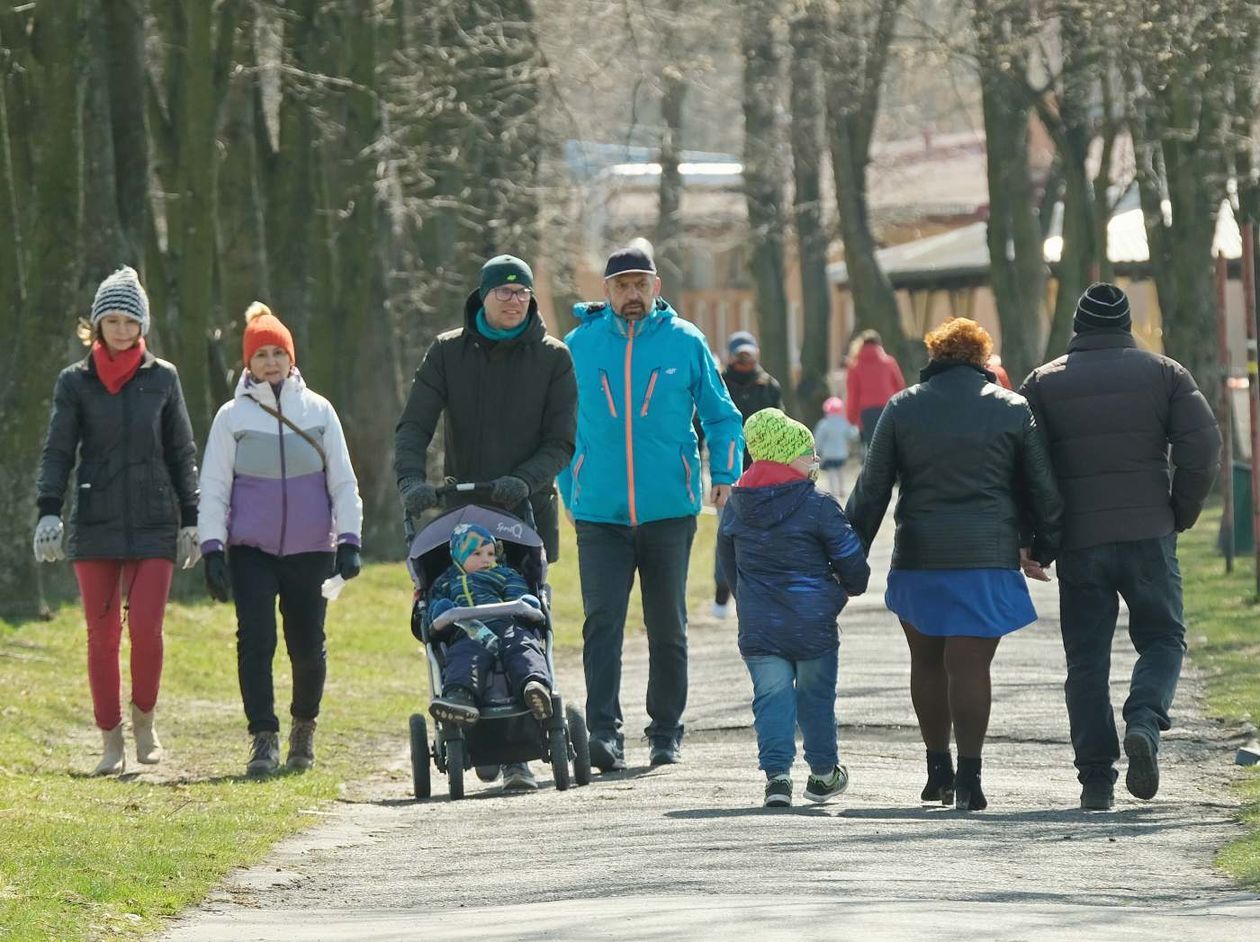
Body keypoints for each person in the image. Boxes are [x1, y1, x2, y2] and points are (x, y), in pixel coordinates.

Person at [846, 317, 1062, 812]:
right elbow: (1043, 489)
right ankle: (971, 778)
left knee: (925, 663)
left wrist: (847, 556)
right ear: (984, 362)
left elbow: (872, 490)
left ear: (935, 358)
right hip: (986, 557)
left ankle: (935, 771)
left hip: (920, 555)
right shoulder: (1012, 409)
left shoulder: (902, 408)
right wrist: (1041, 547)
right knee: (970, 667)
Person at [1020, 283, 1221, 810]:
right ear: (1127, 325)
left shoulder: (1044, 383)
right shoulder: (1165, 373)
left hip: (1081, 542)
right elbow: (1203, 448)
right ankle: (1144, 721)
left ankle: (1095, 779)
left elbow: (1025, 466)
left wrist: (1037, 539)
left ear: (1078, 327)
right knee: (1162, 638)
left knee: (1085, 659)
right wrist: (1180, 511)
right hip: (1148, 533)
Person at [558, 244, 743, 771]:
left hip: (669, 509)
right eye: (622, 285)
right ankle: (603, 734)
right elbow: (557, 429)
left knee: (668, 625)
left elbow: (722, 416)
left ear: (656, 287)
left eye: (641, 284)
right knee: (602, 623)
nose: (632, 294)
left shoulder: (686, 342)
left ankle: (666, 732)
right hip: (599, 512)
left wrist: (725, 474)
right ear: (607, 291)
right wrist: (569, 491)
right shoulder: (578, 346)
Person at [395, 254, 576, 790]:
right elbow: (414, 424)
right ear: (484, 295)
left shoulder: (553, 358)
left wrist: (527, 478)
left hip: (525, 512)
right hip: (465, 513)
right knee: (466, 620)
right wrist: (411, 481)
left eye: (522, 291)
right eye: (503, 290)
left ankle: (519, 748)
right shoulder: (448, 352)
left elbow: (562, 439)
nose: (513, 298)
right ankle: (480, 737)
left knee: (520, 620)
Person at [34, 266, 200, 776]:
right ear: (96, 325)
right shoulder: (75, 383)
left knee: (147, 629)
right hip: (95, 522)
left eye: (131, 320)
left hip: (153, 520)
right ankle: (110, 740)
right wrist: (47, 511)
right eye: (113, 319)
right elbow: (58, 451)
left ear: (143, 324)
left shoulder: (163, 378)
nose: (122, 329)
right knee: (101, 635)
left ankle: (144, 720)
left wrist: (191, 518)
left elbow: (182, 451)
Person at [199, 302, 363, 777]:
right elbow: (213, 487)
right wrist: (212, 549)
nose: (270, 362)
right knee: (256, 640)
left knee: (307, 644)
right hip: (251, 549)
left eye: (278, 353)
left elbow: (343, 481)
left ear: (292, 359)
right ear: (247, 364)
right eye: (261, 354)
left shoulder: (319, 411)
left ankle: (303, 729)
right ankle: (263, 738)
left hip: (312, 547)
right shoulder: (231, 418)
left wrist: (349, 539)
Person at [717, 408, 870, 808]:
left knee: (771, 696)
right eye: (808, 453)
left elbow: (727, 567)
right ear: (785, 456)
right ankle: (822, 773)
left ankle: (777, 777)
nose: (815, 460)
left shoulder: (735, 507)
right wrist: (843, 590)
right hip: (813, 622)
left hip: (760, 624)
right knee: (816, 696)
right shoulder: (818, 504)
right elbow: (851, 559)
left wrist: (747, 600)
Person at [426, 524, 552, 736]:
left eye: (491, 553)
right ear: (458, 555)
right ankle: (460, 697)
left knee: (522, 644)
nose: (486, 559)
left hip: (505, 623)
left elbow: (517, 591)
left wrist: (522, 602)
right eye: (476, 553)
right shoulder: (445, 582)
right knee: (464, 655)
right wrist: (440, 612)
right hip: (467, 631)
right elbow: (434, 608)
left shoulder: (503, 574)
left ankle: (534, 685)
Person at [711, 330, 782, 619]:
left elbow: (780, 425)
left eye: (748, 354)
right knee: (727, 535)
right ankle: (722, 593)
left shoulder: (769, 386)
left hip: (763, 471)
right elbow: (705, 422)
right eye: (739, 355)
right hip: (728, 472)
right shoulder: (718, 384)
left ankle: (762, 593)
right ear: (730, 355)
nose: (744, 360)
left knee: (765, 534)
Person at [845, 329, 905, 447]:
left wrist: (851, 417)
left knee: (872, 447)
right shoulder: (889, 363)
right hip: (888, 407)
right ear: (879, 344)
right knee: (889, 445)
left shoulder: (855, 366)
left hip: (867, 412)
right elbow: (900, 387)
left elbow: (853, 394)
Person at [813, 396, 856, 498]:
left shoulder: (824, 424)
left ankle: (834, 492)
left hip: (829, 453)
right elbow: (852, 434)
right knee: (840, 471)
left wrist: (817, 449)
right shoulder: (843, 422)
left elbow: (818, 438)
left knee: (831, 472)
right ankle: (841, 489)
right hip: (842, 453)